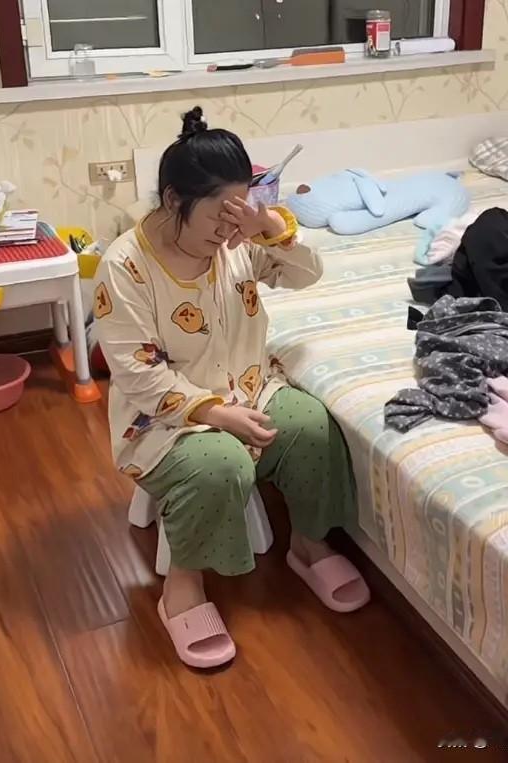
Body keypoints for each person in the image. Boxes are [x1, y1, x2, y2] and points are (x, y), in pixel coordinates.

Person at [95, 106, 370, 669]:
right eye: (218, 214)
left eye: (239, 210)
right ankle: (182, 586)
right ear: (173, 199)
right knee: (219, 464)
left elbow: (307, 275)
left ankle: (308, 543)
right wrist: (215, 414)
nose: (228, 228)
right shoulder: (125, 267)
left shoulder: (237, 239)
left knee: (312, 427)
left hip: (250, 386)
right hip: (163, 419)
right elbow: (137, 374)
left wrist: (271, 229)